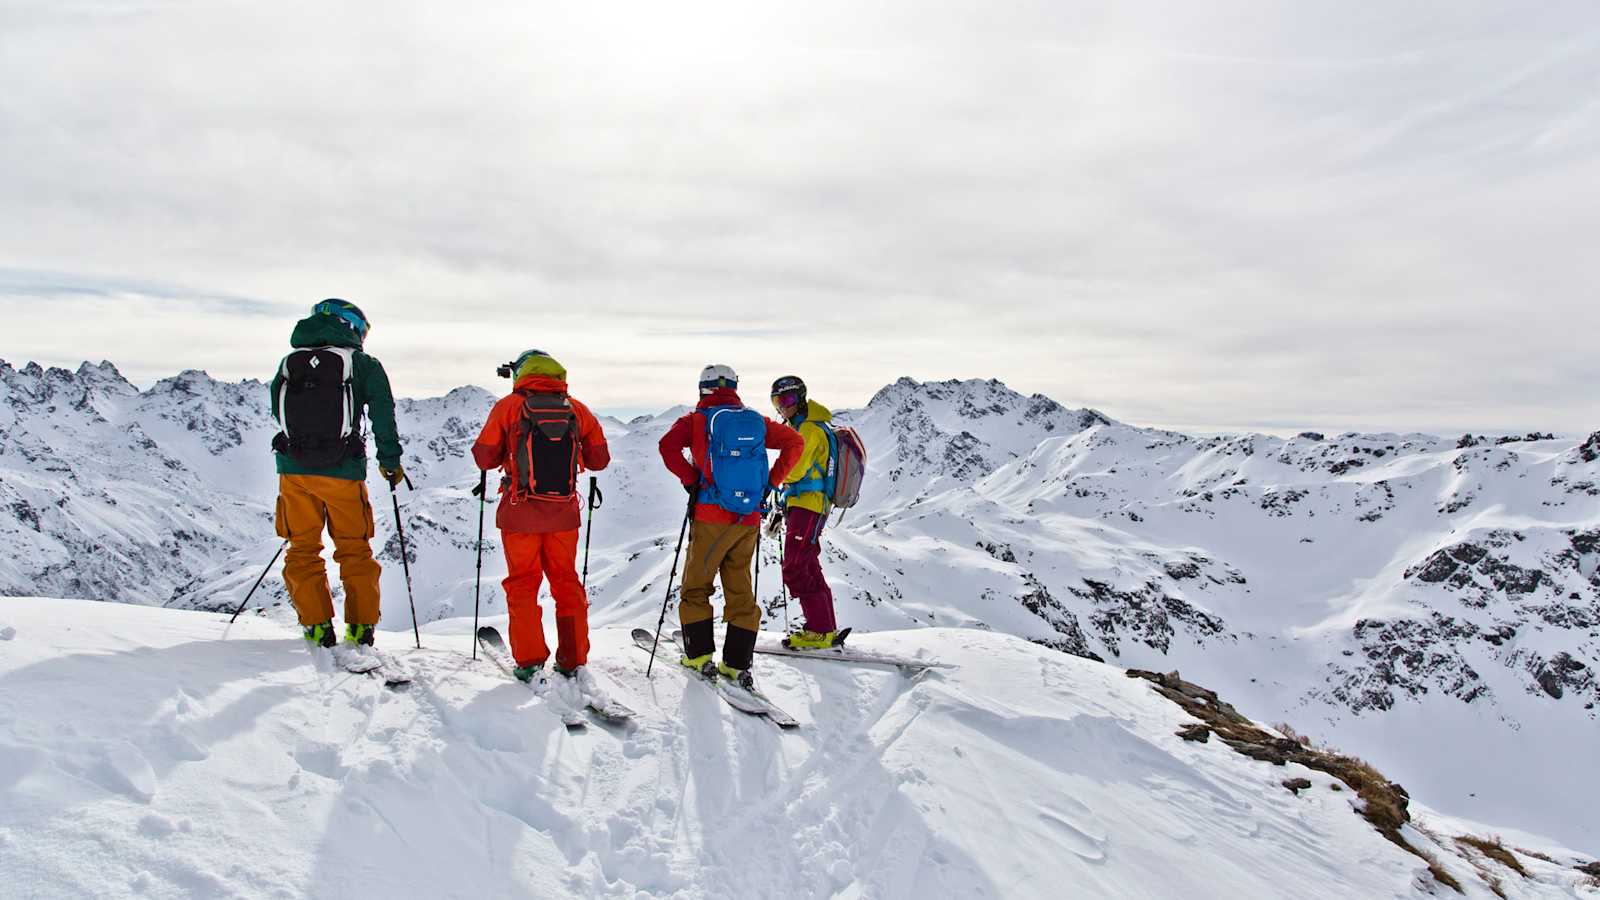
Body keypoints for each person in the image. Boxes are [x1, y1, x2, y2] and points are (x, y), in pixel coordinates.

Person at [269, 299, 404, 651]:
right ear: (354, 328)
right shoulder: (362, 365)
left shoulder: (290, 362)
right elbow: (382, 413)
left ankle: (316, 626)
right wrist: (389, 459)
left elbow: (277, 409)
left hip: (294, 472)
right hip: (343, 472)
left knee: (301, 549)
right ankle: (360, 629)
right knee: (354, 549)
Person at [658, 365, 803, 689]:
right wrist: (770, 483)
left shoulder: (696, 421)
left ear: (702, 389)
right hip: (748, 518)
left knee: (696, 586)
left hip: (711, 516)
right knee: (740, 589)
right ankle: (737, 665)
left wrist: (691, 479)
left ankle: (698, 657)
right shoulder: (756, 421)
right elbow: (795, 441)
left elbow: (667, 447)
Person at [471, 349, 610, 684]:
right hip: (563, 513)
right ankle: (573, 657)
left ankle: (530, 660)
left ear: (520, 374)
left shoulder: (509, 407)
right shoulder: (576, 409)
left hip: (520, 513)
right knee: (566, 583)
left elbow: (485, 458)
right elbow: (599, 460)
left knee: (523, 585)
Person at [769, 375, 841, 649]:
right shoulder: (802, 426)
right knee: (808, 563)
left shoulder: (809, 430)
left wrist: (775, 477)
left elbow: (796, 470)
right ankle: (825, 628)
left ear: (799, 398)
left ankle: (819, 631)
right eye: (777, 402)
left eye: (786, 400)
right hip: (805, 504)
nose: (782, 408)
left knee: (796, 567)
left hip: (809, 505)